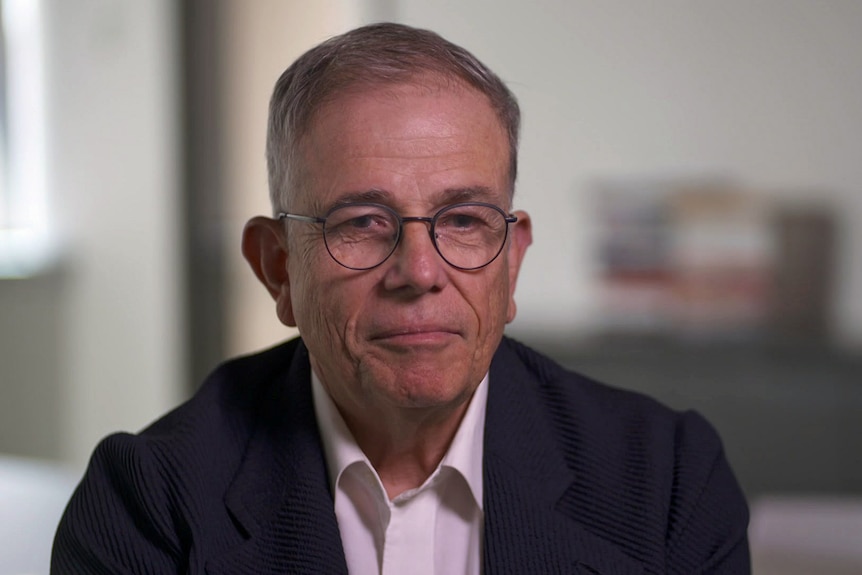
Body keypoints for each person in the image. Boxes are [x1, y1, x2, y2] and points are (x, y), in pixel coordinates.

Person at [52, 22, 750, 574]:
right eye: (361, 222)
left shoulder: (666, 478)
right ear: (277, 268)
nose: (418, 270)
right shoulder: (146, 503)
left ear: (511, 259)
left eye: (466, 219)